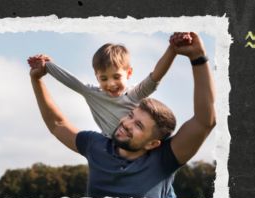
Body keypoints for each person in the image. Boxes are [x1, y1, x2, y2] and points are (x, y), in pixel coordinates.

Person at [29, 32, 216, 198]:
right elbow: (57, 124)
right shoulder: (96, 146)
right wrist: (37, 79)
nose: (126, 123)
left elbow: (204, 121)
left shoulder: (164, 159)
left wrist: (197, 58)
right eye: (130, 115)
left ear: (153, 143)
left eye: (139, 126)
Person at [27, 32, 192, 138]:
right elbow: (69, 79)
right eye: (104, 78)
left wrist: (173, 48)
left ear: (128, 73)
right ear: (96, 77)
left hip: (143, 148)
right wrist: (46, 65)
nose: (111, 83)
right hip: (112, 148)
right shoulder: (93, 94)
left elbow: (156, 76)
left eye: (116, 76)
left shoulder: (134, 95)